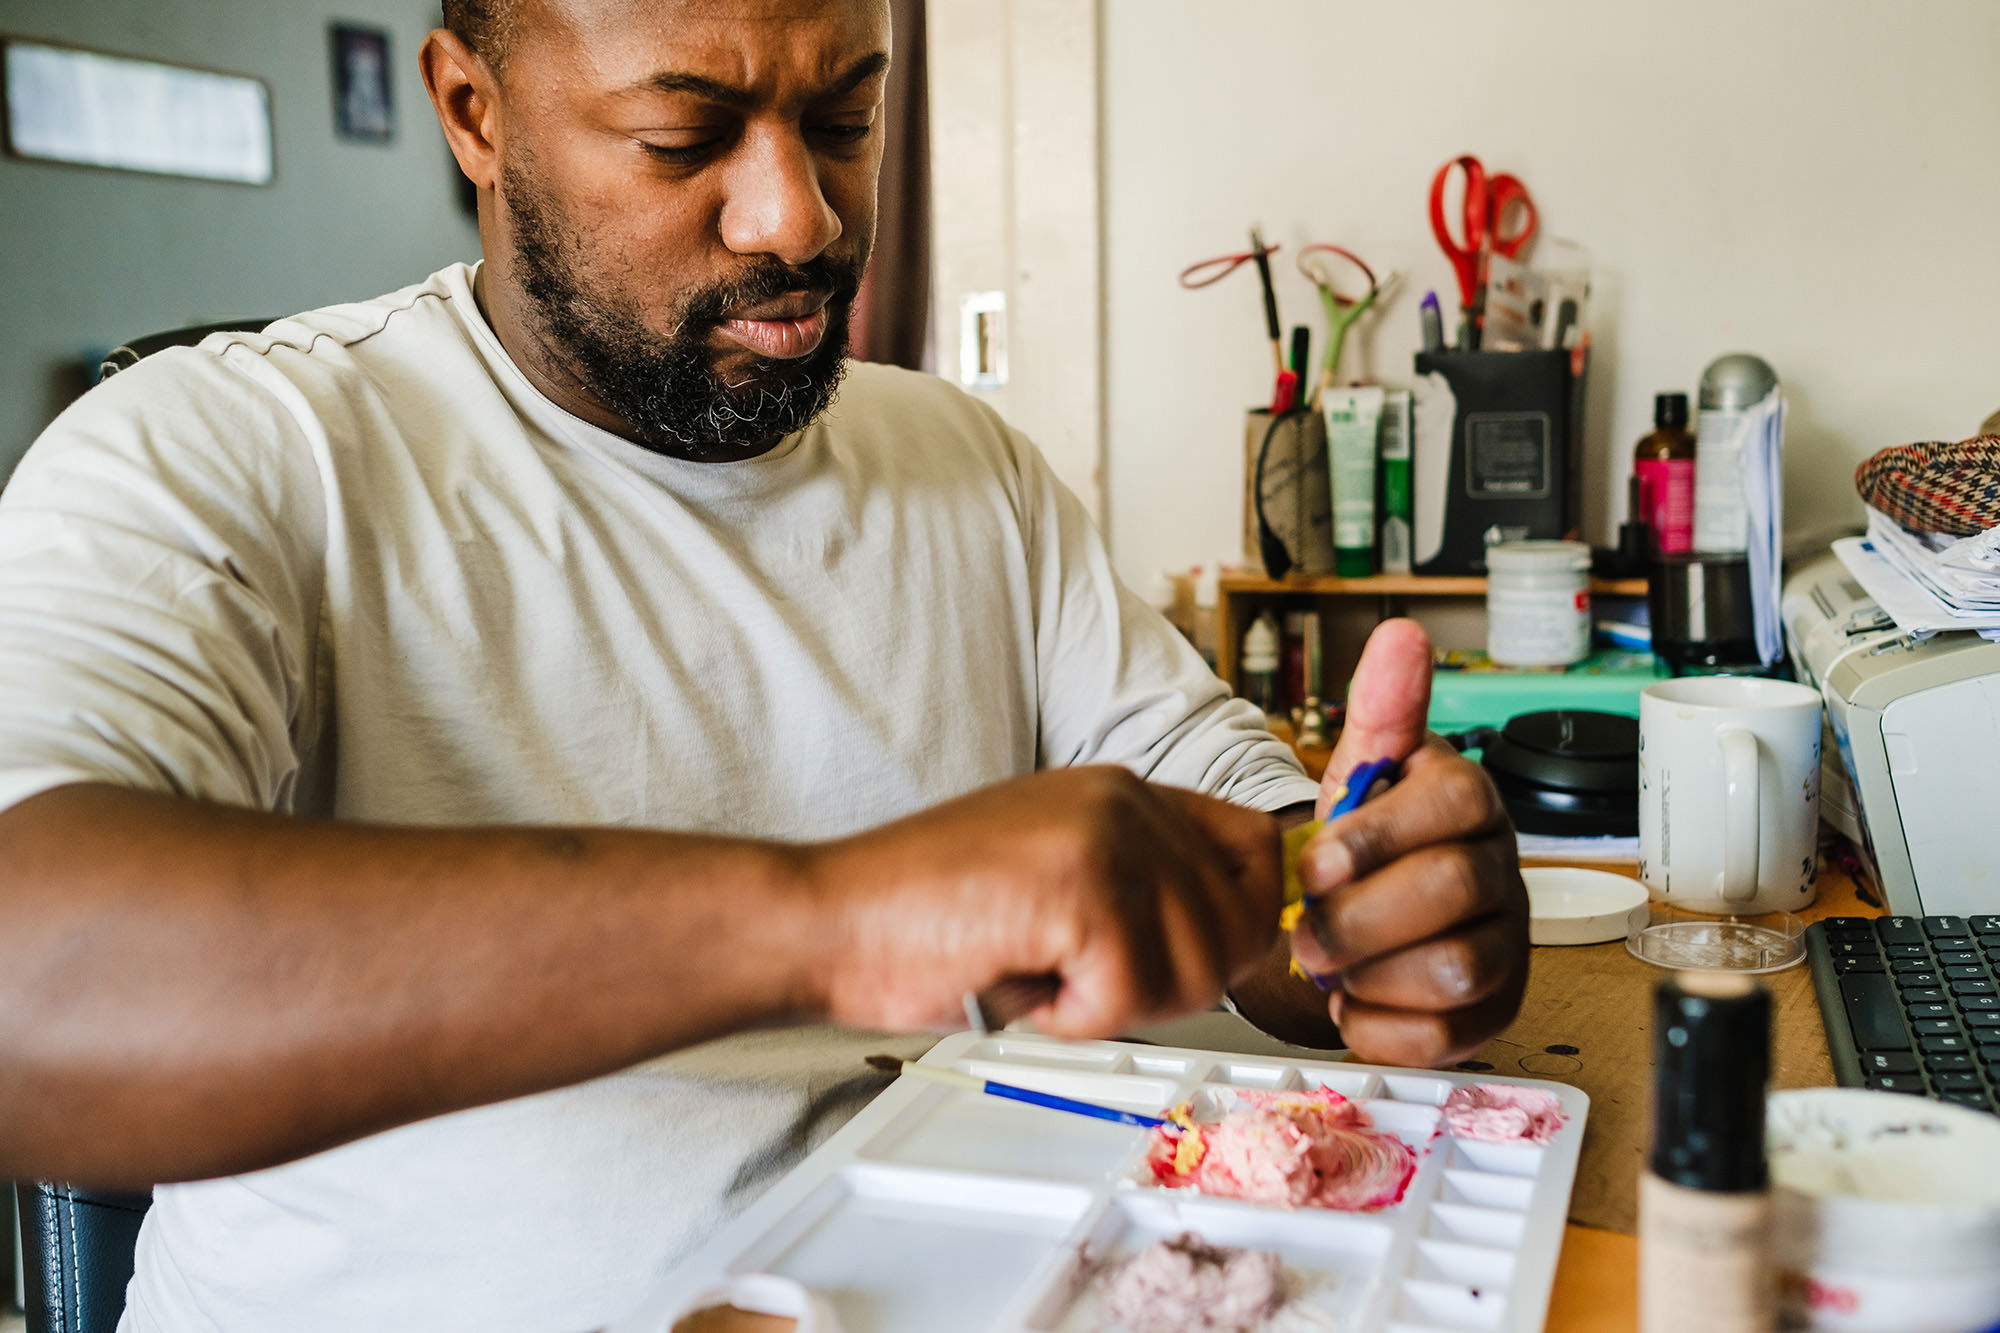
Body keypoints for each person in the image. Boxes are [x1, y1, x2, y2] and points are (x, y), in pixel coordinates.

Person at [0, 1, 1526, 1327]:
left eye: (846, 115)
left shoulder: (962, 465)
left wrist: (1354, 904)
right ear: (475, 111)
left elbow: (1224, 804)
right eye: (684, 136)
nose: (799, 217)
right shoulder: (230, 452)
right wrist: (838, 918)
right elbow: (31, 987)